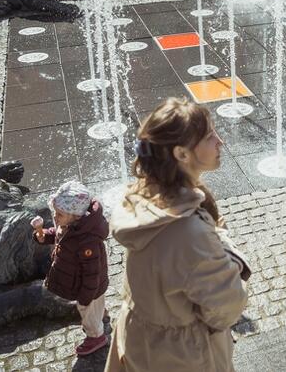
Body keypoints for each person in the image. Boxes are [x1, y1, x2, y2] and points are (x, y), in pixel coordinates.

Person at [105, 98, 250, 372]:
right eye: (210, 136)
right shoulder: (190, 232)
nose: (221, 141)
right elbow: (227, 307)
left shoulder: (140, 197)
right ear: (182, 154)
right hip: (186, 356)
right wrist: (225, 245)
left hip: (141, 342)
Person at [30, 181, 109, 357]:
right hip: (87, 284)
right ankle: (101, 313)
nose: (55, 218)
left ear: (76, 216)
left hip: (88, 286)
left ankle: (96, 337)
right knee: (96, 304)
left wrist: (85, 296)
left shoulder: (86, 241)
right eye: (55, 213)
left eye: (59, 214)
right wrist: (43, 236)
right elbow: (58, 234)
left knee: (87, 308)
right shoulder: (69, 225)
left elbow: (92, 273)